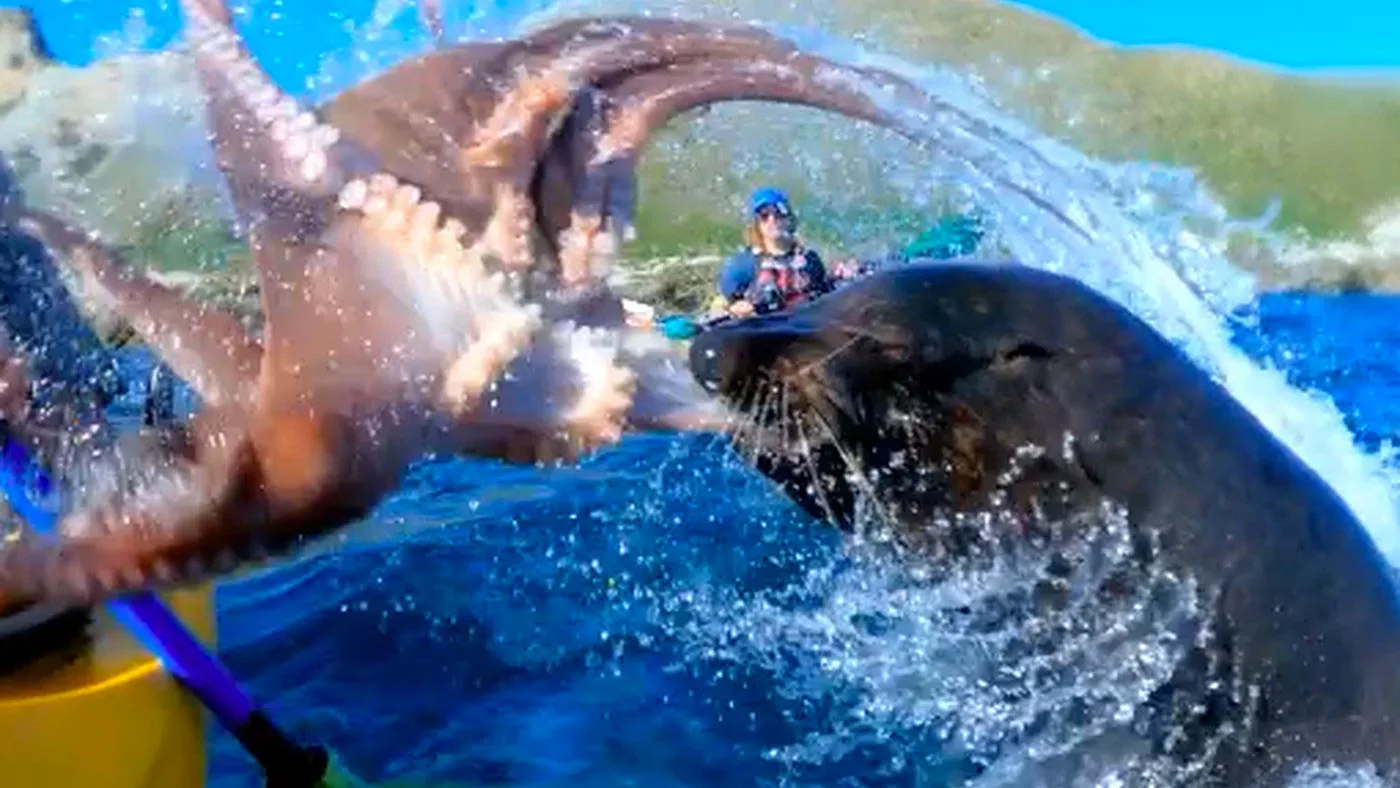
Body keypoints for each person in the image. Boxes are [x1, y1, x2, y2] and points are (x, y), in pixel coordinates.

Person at [713, 187, 836, 318]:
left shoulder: (809, 260)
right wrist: (733, 308)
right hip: (765, 330)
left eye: (779, 212)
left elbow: (825, 294)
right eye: (764, 215)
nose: (772, 219)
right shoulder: (744, 265)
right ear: (757, 224)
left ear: (789, 218)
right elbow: (721, 304)